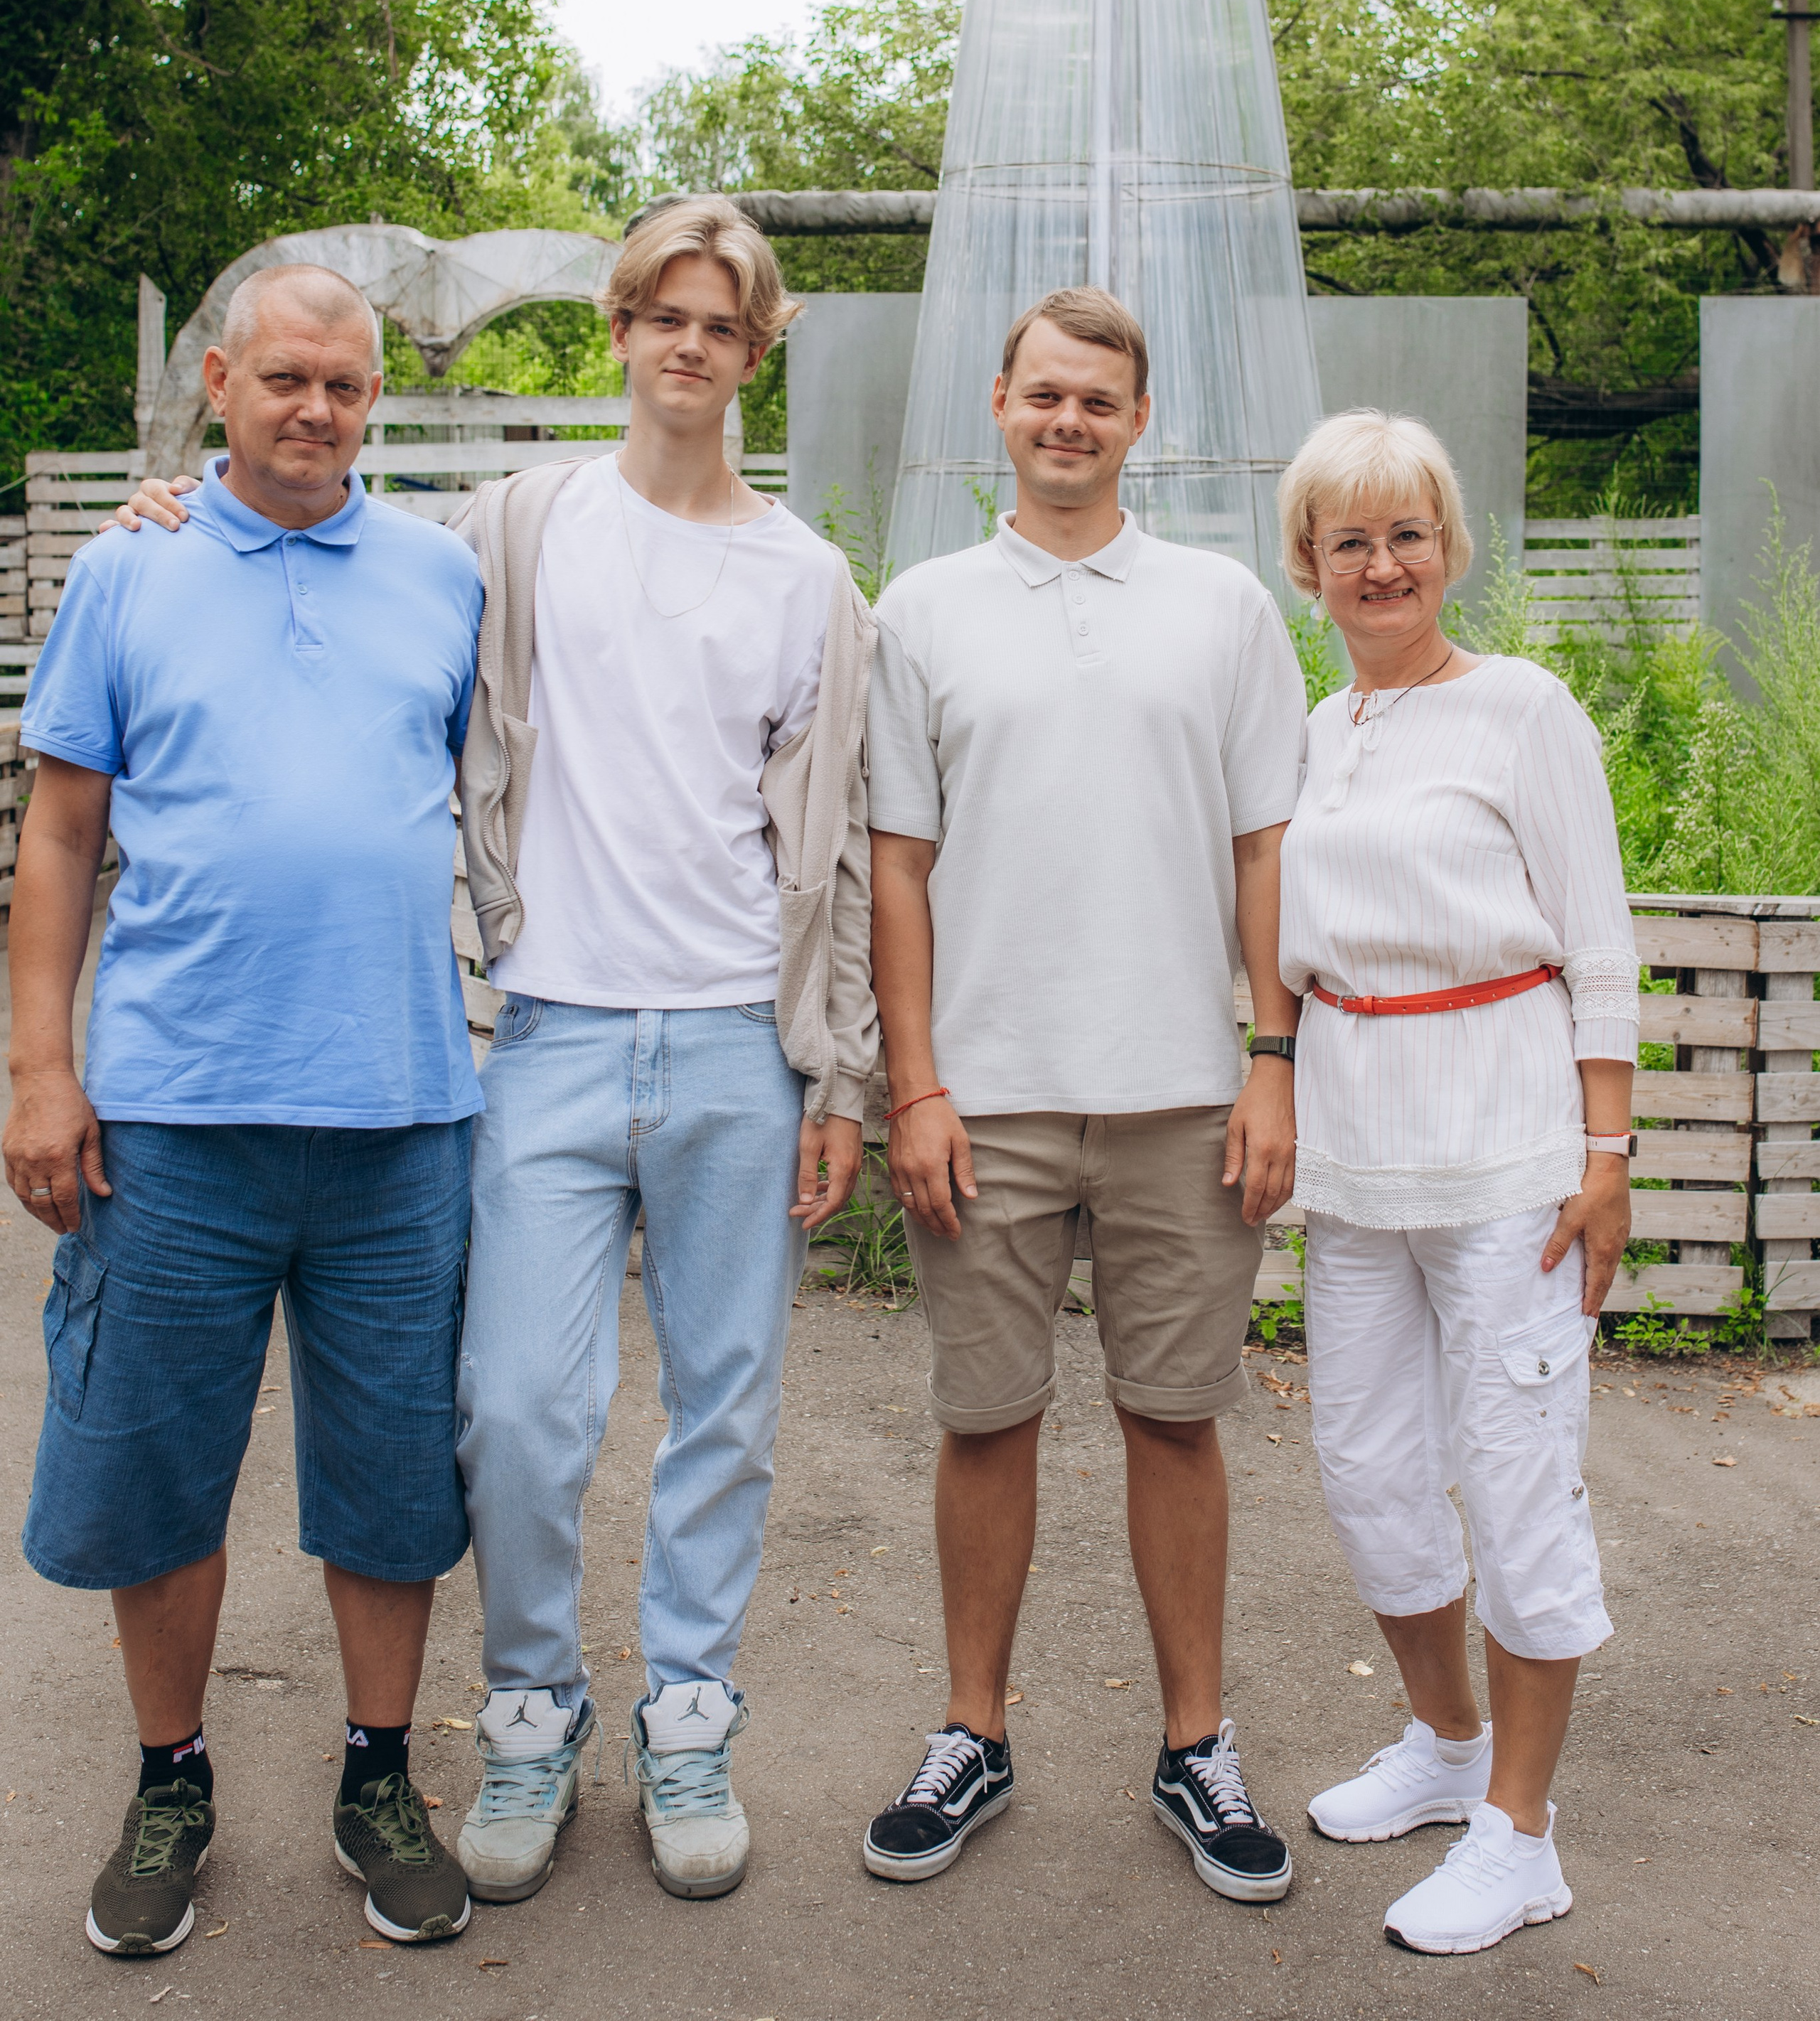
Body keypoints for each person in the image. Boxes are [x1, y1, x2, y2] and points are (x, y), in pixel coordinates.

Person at [119, 201, 877, 1909]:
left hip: (733, 1047)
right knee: (516, 1415)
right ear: (616, 330)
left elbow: (833, 851)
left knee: (723, 1410)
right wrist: (166, 513)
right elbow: (304, 539)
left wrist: (839, 1074)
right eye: (661, 316)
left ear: (758, 350)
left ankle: (688, 1714)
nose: (688, 347)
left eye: (720, 325)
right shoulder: (505, 530)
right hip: (537, 1031)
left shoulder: (810, 582)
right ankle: (530, 1710)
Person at [9, 266, 484, 1957]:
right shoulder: (132, 567)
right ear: (218, 382)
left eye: (347, 389)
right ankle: (170, 1778)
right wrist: (39, 1071)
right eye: (286, 380)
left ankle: (378, 1773)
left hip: (397, 1110)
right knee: (153, 1473)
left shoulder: (445, 572)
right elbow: (62, 832)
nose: (318, 412)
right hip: (172, 1116)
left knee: (395, 1480)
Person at [860, 286, 1305, 1906]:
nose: (1067, 421)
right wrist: (913, 1086)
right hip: (985, 1097)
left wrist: (1271, 1056)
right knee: (985, 1421)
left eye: (1096, 402)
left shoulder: (1222, 605)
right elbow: (894, 870)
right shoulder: (920, 608)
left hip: (1184, 1093)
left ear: (1137, 423)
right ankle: (970, 1732)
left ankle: (1196, 1744)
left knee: (1171, 1417)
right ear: (998, 404)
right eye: (1042, 394)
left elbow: (1268, 845)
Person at [1274, 409, 1637, 1958]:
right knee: (1364, 1471)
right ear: (1306, 566)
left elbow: (1599, 941)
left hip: (1506, 1157)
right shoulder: (1311, 730)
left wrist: (1605, 1153)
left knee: (1512, 1480)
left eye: (1403, 533)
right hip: (1356, 1164)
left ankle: (1520, 1833)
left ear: (1448, 547)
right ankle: (1440, 1746)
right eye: (1345, 540)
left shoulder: (1521, 711)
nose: (1378, 564)